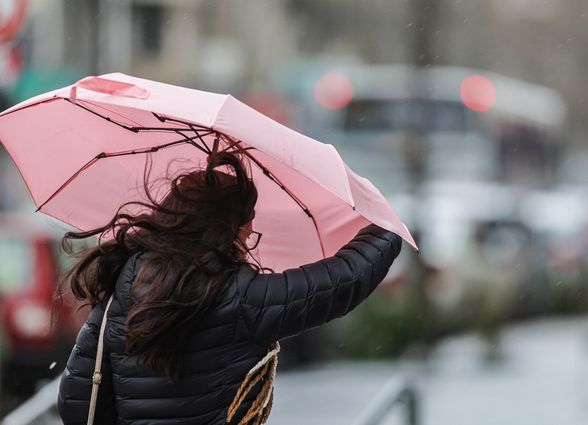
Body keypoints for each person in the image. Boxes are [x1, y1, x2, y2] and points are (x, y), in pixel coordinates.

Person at [55, 146, 403, 425]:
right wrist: (387, 226)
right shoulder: (240, 296)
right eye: (247, 229)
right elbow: (343, 281)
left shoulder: (124, 285)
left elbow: (76, 400)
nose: (249, 238)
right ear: (225, 229)